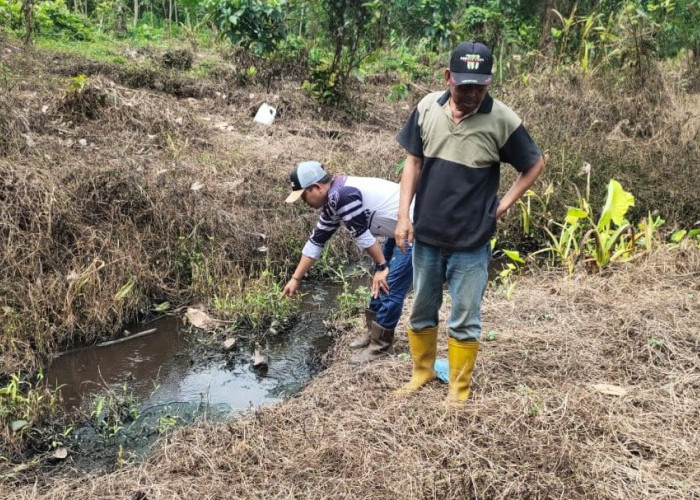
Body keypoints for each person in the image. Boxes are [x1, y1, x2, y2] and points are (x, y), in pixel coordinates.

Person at [394, 41, 545, 403]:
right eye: (463, 86)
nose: (471, 94)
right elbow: (413, 163)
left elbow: (534, 163)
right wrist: (403, 216)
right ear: (448, 78)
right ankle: (422, 372)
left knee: (464, 316)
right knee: (421, 308)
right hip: (428, 234)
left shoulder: (503, 120)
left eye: (479, 86)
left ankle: (459, 389)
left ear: (489, 82)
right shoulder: (427, 108)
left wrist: (503, 205)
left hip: (472, 241)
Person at [280, 160, 413, 364]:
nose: (304, 202)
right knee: (380, 285)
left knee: (391, 286)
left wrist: (382, 266)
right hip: (396, 232)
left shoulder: (341, 195)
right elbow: (316, 241)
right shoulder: (332, 203)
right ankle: (372, 333)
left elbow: (361, 234)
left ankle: (381, 346)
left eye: (304, 195)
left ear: (316, 187)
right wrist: (295, 278)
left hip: (415, 229)